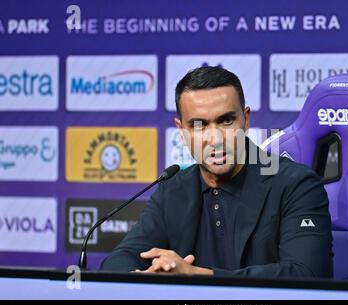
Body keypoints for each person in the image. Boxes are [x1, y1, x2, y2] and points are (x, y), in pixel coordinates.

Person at [101, 66, 333, 279]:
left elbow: (306, 273)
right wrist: (141, 279)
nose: (215, 138)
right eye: (198, 125)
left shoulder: (296, 185)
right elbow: (120, 259)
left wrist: (196, 275)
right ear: (181, 131)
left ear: (246, 119)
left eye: (226, 121)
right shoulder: (173, 188)